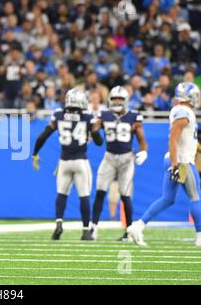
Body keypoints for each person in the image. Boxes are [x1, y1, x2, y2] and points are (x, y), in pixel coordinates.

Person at [128, 82, 201, 247]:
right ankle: (200, 236)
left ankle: (137, 226)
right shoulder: (183, 112)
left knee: (168, 199)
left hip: (177, 158)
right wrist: (175, 164)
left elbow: (184, 139)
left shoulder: (182, 111)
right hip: (181, 161)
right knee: (196, 197)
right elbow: (173, 140)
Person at [32, 88, 104, 241]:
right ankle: (85, 231)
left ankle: (58, 224)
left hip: (64, 161)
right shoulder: (87, 116)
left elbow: (43, 136)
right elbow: (99, 143)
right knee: (84, 196)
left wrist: (35, 153)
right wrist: (94, 131)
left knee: (61, 194)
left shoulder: (58, 114)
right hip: (80, 161)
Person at [90, 86, 148, 241]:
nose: (116, 101)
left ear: (125, 101)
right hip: (109, 157)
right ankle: (93, 229)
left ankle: (128, 232)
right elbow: (95, 134)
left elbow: (141, 138)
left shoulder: (133, 116)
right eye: (114, 98)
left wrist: (144, 151)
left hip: (126, 159)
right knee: (100, 192)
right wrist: (94, 130)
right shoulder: (104, 115)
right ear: (110, 99)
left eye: (120, 99)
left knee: (125, 195)